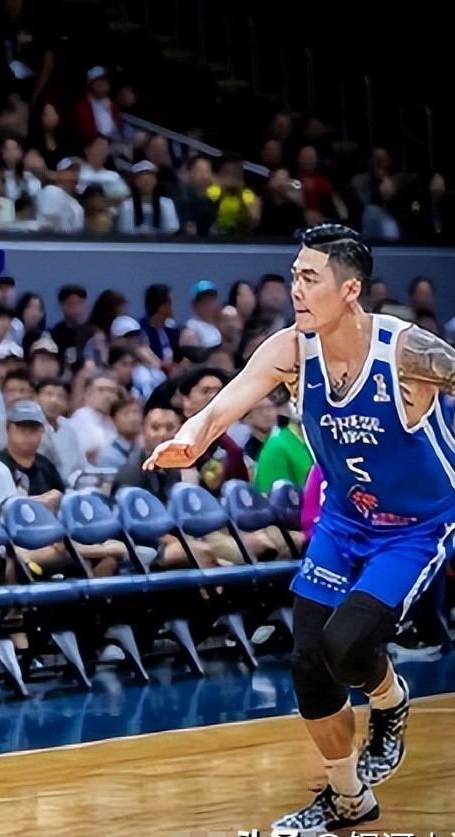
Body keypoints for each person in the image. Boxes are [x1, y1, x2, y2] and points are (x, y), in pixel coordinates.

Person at [144, 224, 452, 831]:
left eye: (310, 278)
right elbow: (224, 404)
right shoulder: (291, 349)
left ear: (350, 289)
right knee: (308, 660)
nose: (296, 289)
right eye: (294, 276)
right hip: (344, 520)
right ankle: (348, 797)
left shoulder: (407, 353)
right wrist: (191, 438)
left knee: (347, 647)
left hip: (415, 527)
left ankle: (390, 700)